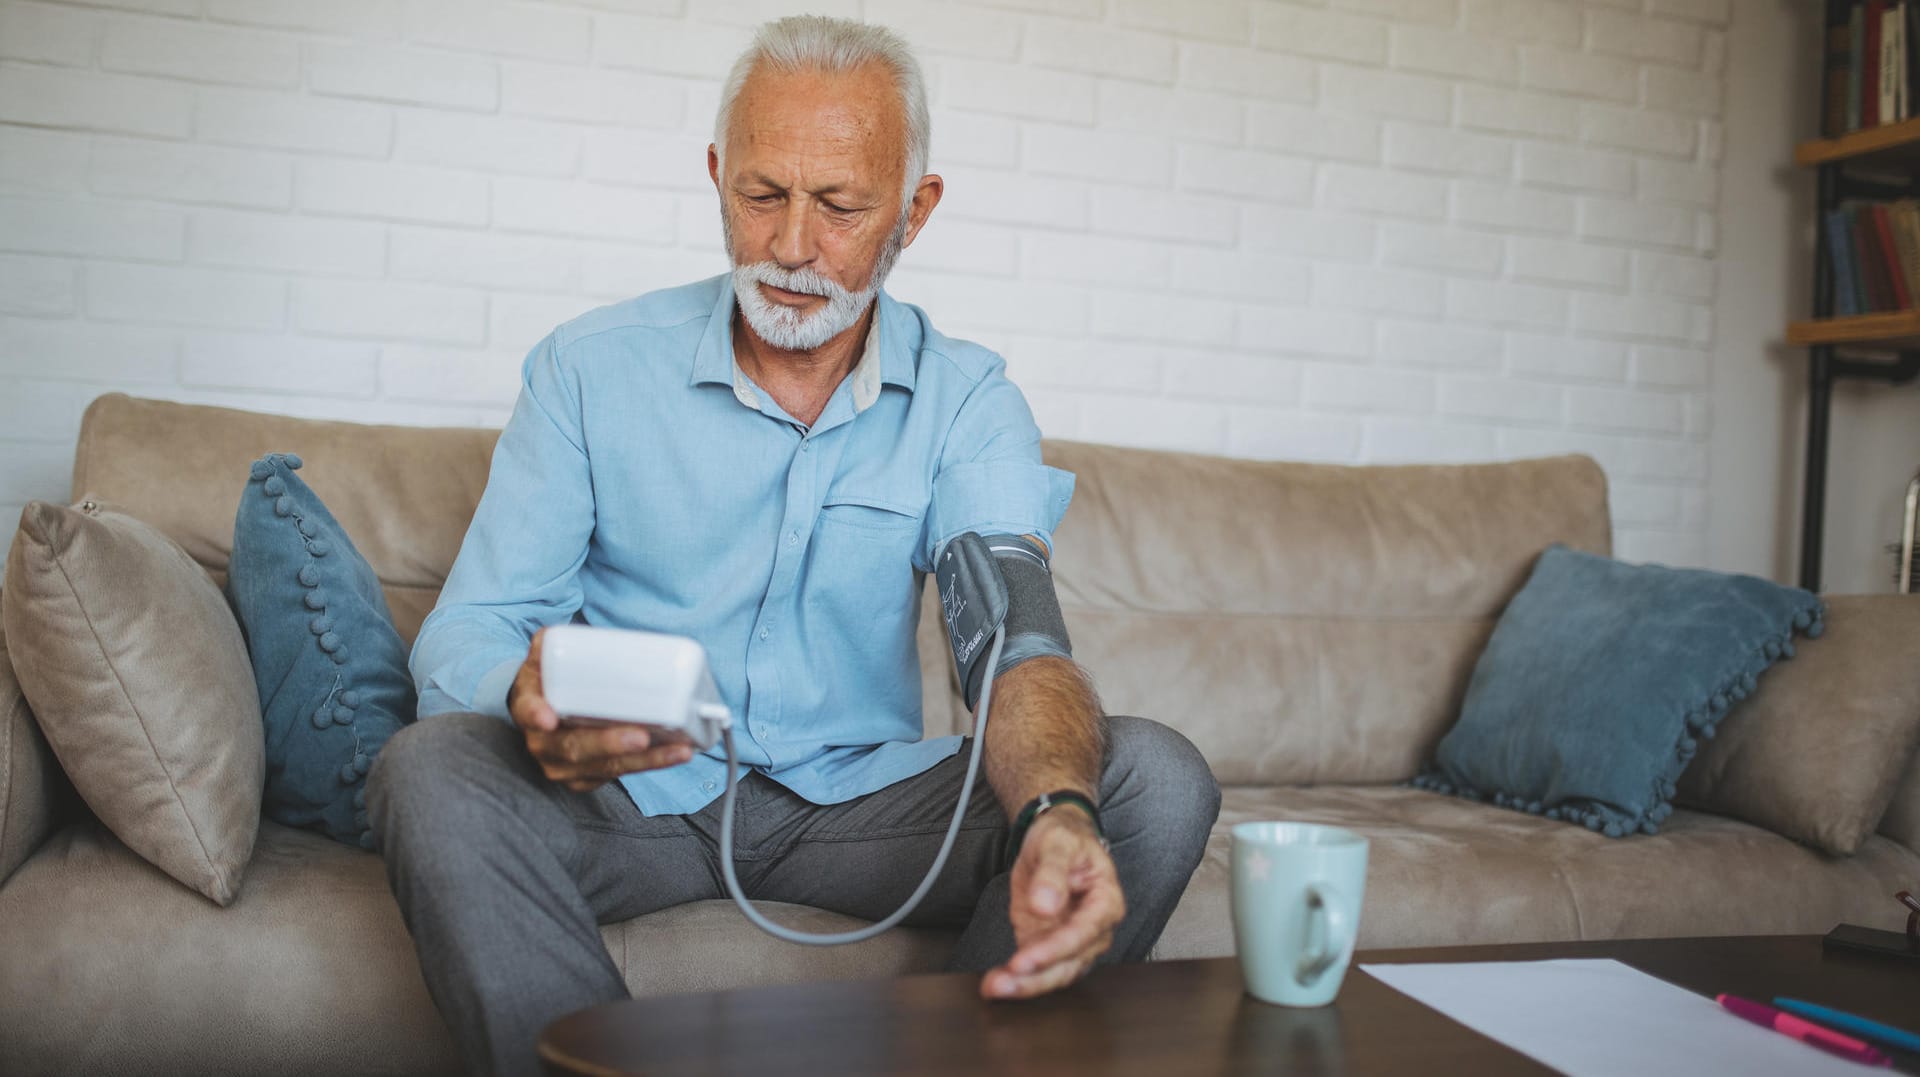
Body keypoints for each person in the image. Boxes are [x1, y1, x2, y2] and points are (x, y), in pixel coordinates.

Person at [367, 16, 1220, 1076]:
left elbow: (1015, 644)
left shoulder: (968, 403)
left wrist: (1052, 808)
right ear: (719, 174)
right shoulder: (587, 371)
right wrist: (530, 698)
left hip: (855, 805)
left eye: (842, 207)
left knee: (1151, 779)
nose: (789, 248)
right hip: (634, 797)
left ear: (916, 210)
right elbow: (471, 629)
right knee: (430, 767)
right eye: (762, 195)